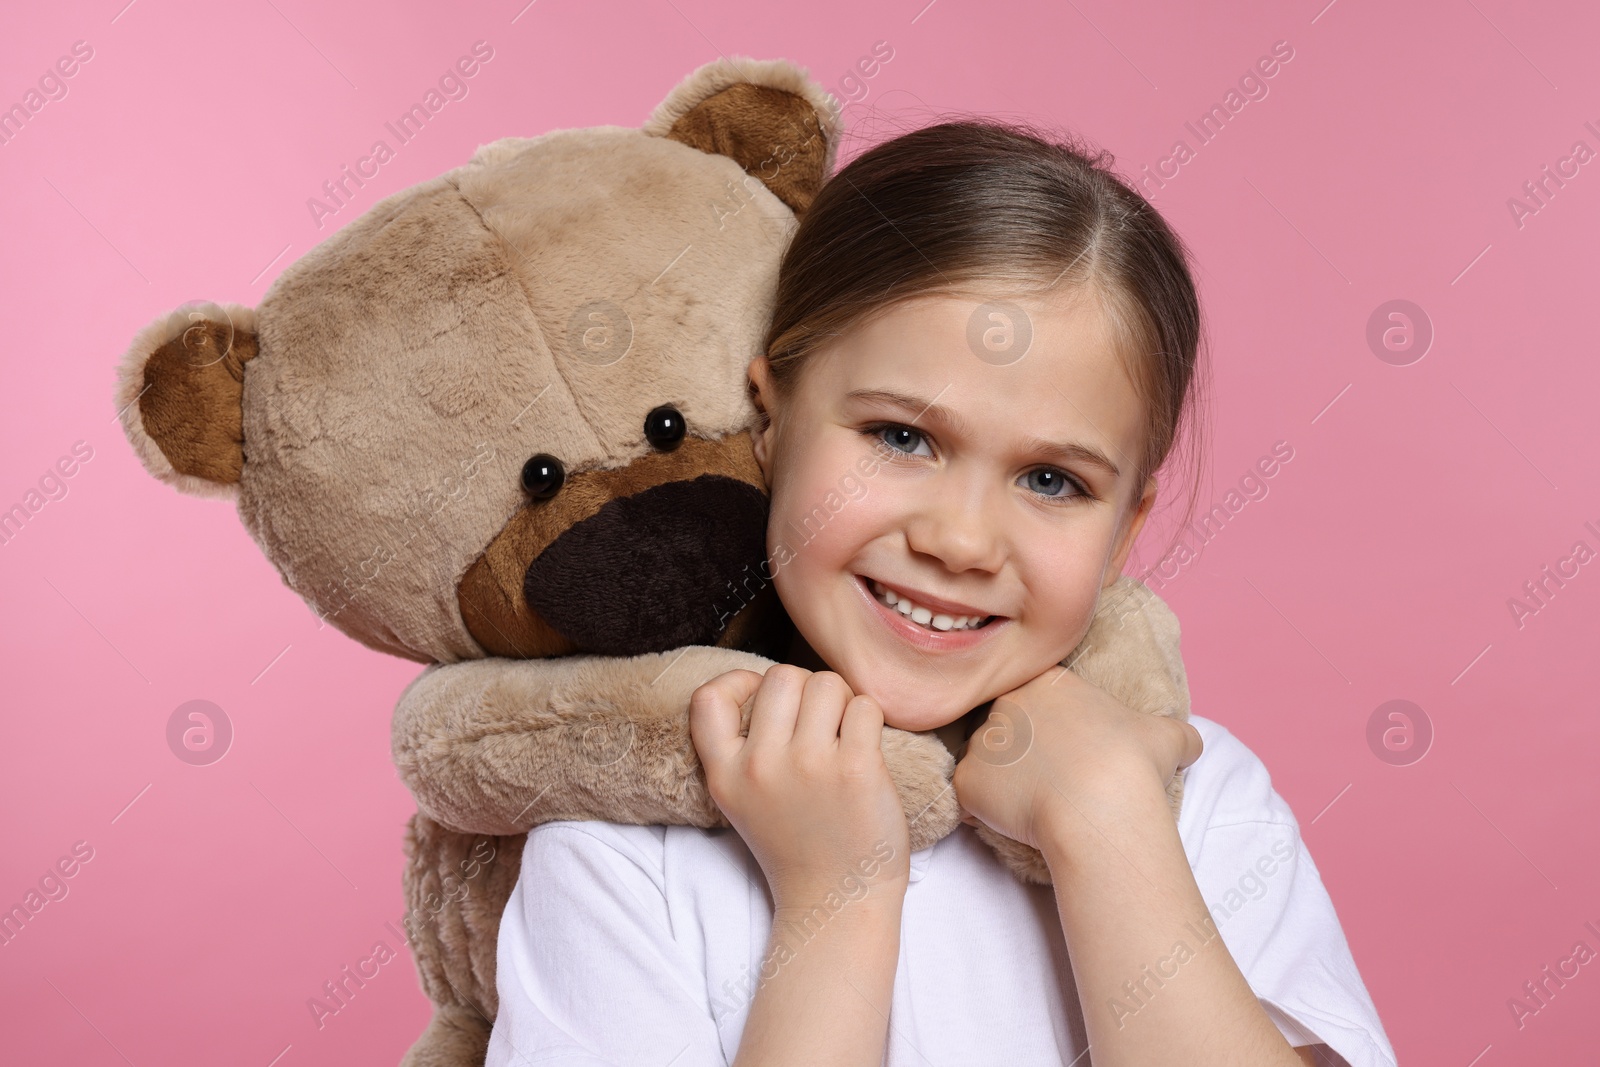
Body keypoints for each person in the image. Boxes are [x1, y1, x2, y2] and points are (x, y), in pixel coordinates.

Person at [485, 120, 1398, 1067]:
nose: (960, 541)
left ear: (1126, 527)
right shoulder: (623, 844)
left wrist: (1108, 826)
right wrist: (836, 893)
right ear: (771, 417)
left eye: (1053, 481)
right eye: (901, 437)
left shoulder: (1195, 800)